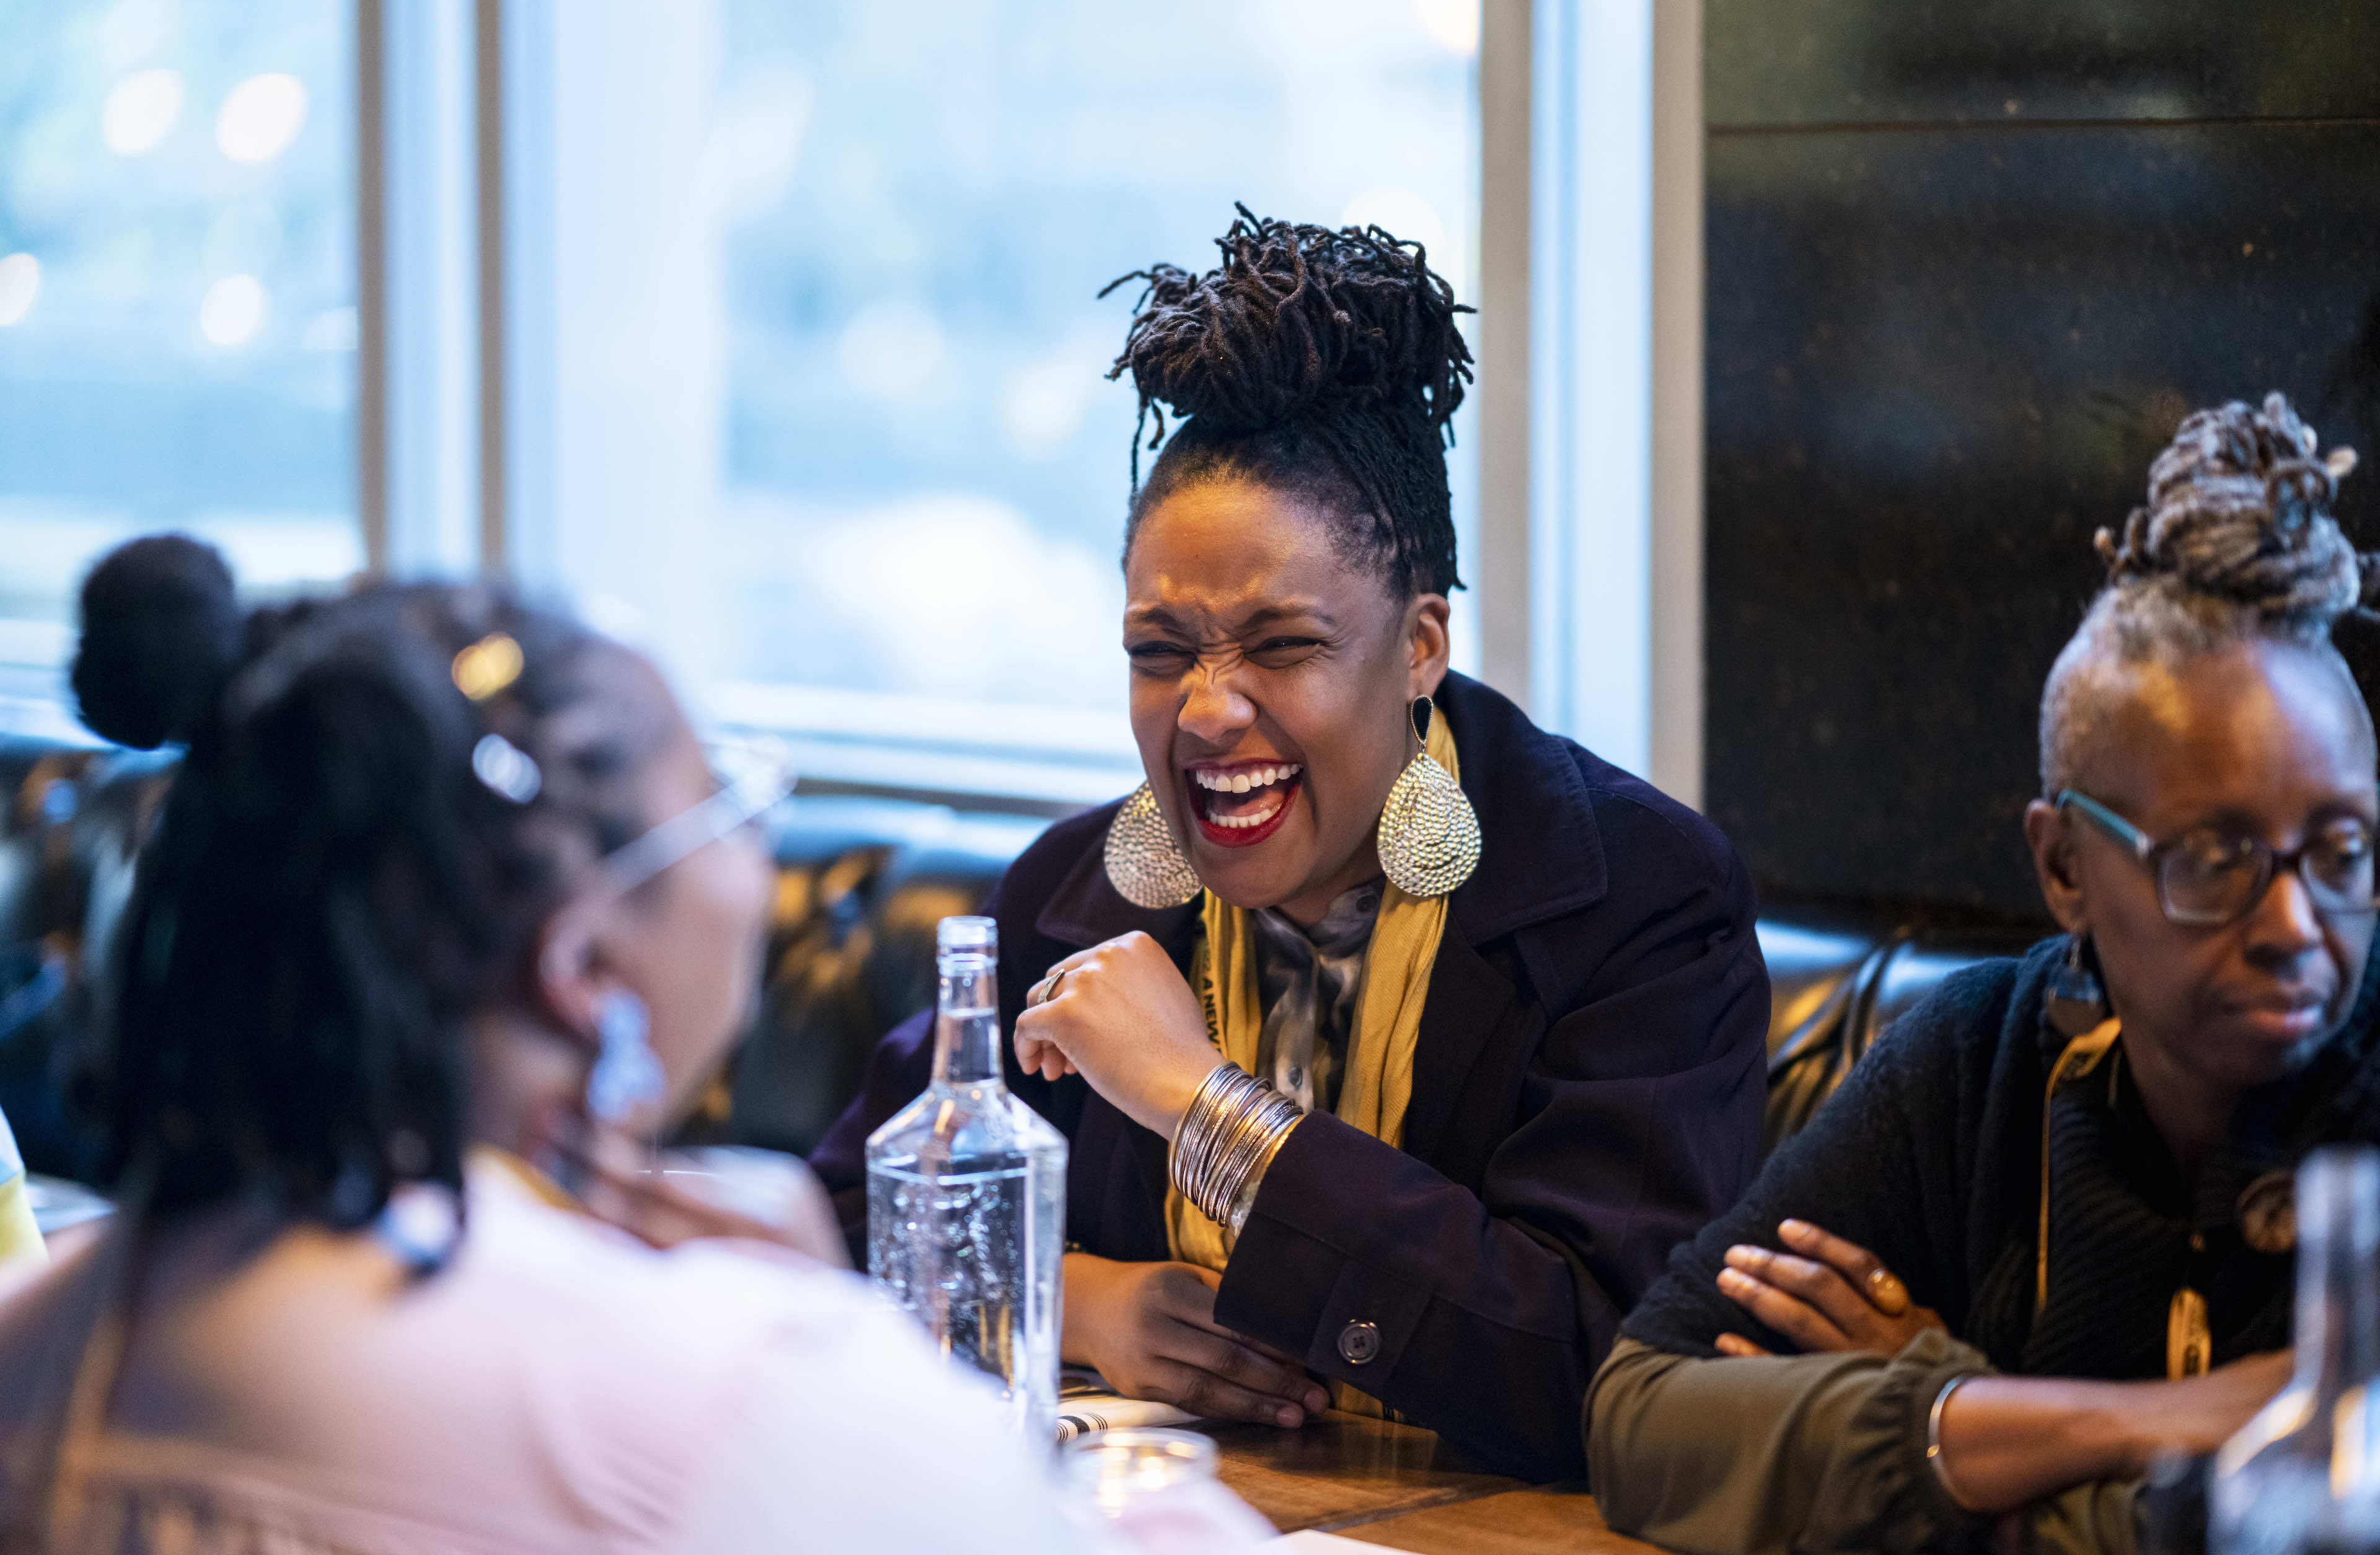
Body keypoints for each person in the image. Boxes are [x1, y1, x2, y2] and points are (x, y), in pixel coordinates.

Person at [811, 209, 1771, 1481]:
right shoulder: (1073, 891)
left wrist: (1203, 1104)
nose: (1206, 709)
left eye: (1281, 645)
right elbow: (830, 1220)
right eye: (1160, 653)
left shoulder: (1635, 903)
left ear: (1420, 641)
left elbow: (1606, 1367)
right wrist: (1080, 1295)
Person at [0, 537, 1134, 1553]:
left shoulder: (42, 1343)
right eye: (723, 800)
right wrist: (841, 1352)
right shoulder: (745, 1400)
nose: (754, 841)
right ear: (583, 968)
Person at [1588, 392, 2376, 1553]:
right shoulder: (1980, 1056)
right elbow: (1642, 1419)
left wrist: (1954, 1432)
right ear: (2063, 867)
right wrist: (2164, 1419)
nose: (2297, 923)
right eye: (2216, 860)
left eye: (2345, 852)